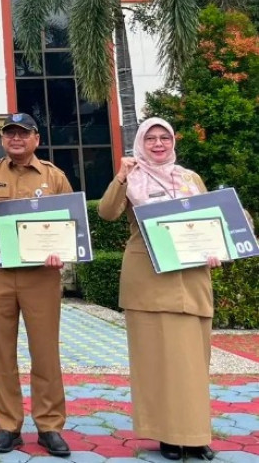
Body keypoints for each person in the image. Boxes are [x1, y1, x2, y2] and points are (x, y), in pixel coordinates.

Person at [98, 117, 220, 461]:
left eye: (163, 137)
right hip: (149, 282)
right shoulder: (132, 177)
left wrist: (215, 249)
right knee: (155, 363)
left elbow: (211, 219)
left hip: (190, 281)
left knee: (195, 362)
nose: (157, 144)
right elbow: (107, 212)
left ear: (172, 141)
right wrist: (121, 176)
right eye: (149, 138)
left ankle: (196, 435)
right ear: (140, 143)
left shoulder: (189, 178)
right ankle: (167, 435)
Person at [0, 113, 73, 457]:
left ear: (36, 139)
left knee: (46, 351)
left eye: (23, 133)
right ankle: (8, 425)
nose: (16, 139)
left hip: (41, 274)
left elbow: (71, 223)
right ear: (3, 140)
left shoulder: (54, 176)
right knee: (1, 351)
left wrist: (62, 251)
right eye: (10, 134)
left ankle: (50, 425)